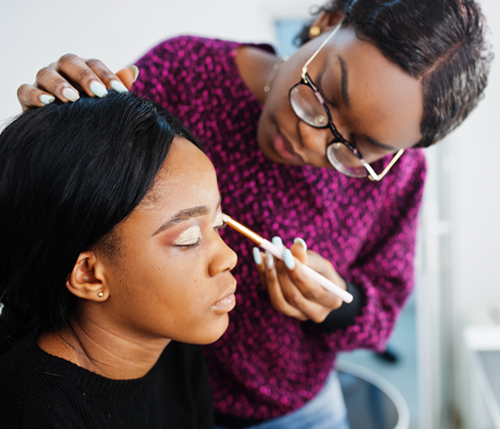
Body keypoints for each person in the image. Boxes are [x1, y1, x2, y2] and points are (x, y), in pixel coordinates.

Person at [17, 0, 492, 427]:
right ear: (326, 23)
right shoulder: (186, 73)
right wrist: (54, 133)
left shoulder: (398, 177)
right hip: (157, 390)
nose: (311, 139)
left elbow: (382, 307)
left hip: (297, 411)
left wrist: (335, 304)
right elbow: (75, 197)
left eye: (355, 147)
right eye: (323, 92)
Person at [0, 92, 238, 428]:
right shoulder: (35, 414)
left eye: (218, 223)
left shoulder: (169, 335)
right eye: (189, 239)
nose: (228, 256)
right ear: (88, 276)